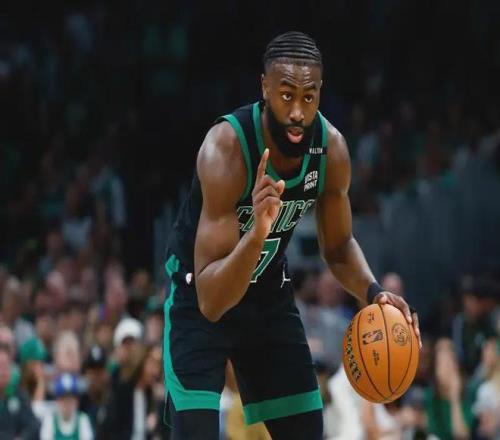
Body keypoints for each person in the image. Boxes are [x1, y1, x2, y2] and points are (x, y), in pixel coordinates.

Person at [163, 31, 421, 439]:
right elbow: (211, 301)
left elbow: (339, 246)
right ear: (264, 88)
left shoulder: (331, 149)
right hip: (200, 297)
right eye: (286, 96)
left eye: (309, 97)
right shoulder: (226, 149)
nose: (298, 112)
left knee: (306, 431)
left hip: (267, 297)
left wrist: (374, 293)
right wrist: (257, 235)